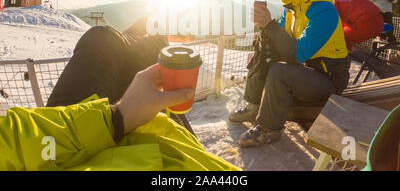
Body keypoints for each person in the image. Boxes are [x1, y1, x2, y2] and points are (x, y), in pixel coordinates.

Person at [0, 64, 240, 171]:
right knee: (116, 42)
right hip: (142, 143)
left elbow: (16, 142)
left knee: (102, 37)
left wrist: (117, 119)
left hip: (69, 145)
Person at [229, 0, 350, 148]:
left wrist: (269, 25)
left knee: (280, 71)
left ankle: (269, 129)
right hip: (309, 74)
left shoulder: (324, 12)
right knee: (265, 52)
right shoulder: (293, 10)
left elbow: (297, 54)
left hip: (329, 81)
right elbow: (278, 42)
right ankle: (253, 105)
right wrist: (265, 32)